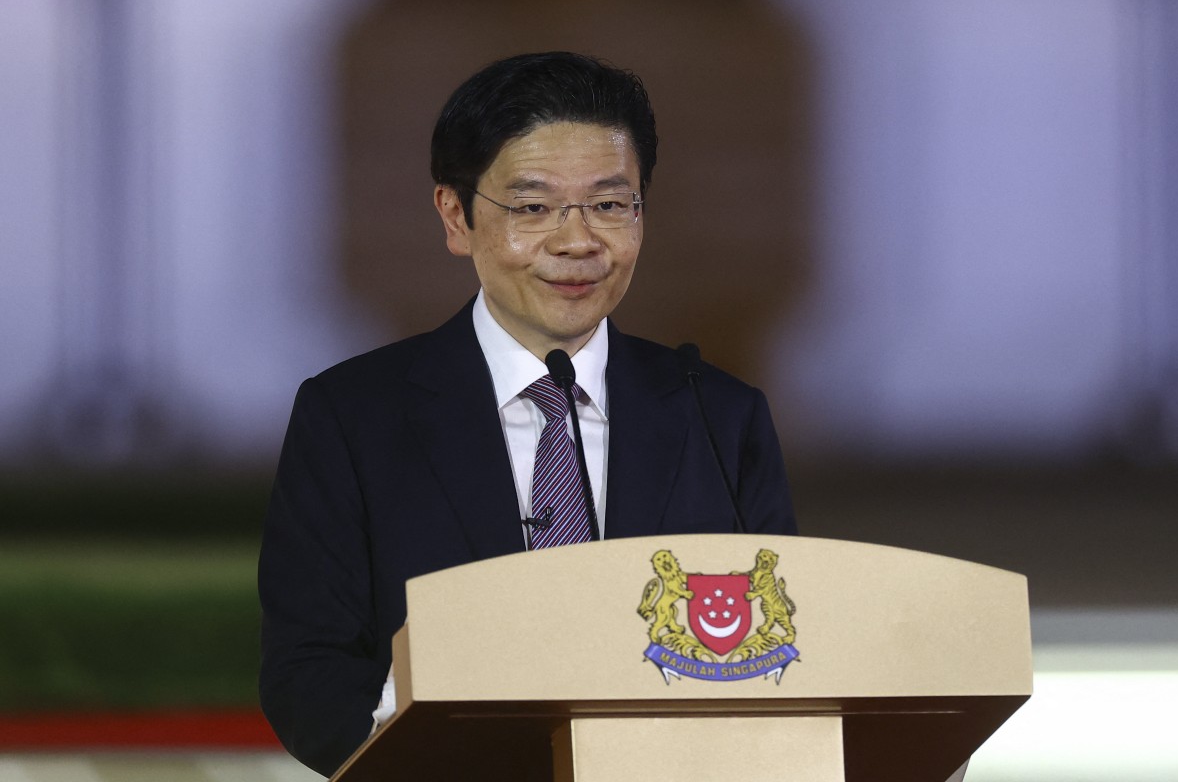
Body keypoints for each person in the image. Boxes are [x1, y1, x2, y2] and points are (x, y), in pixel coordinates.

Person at [258, 52, 797, 777]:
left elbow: (785, 648)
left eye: (610, 205)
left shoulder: (718, 414)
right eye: (533, 207)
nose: (578, 242)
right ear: (456, 215)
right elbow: (308, 676)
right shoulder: (353, 418)